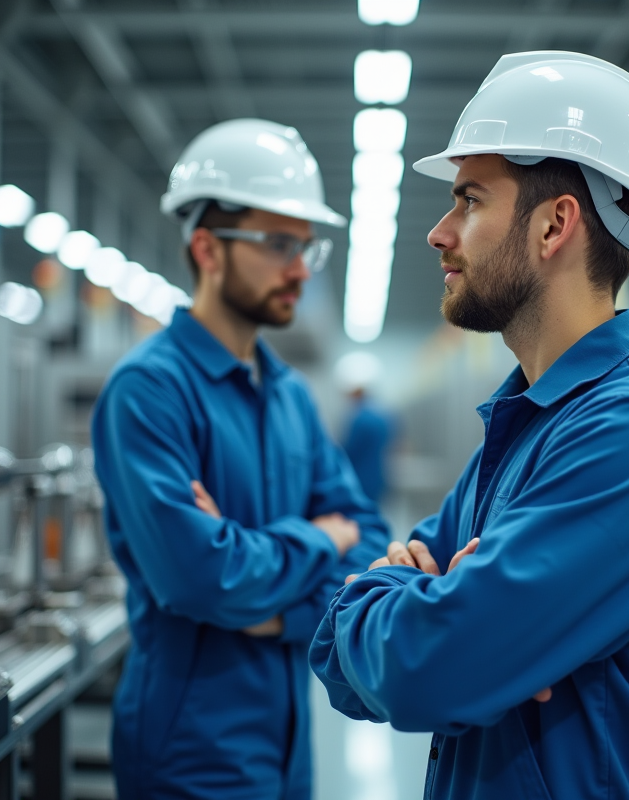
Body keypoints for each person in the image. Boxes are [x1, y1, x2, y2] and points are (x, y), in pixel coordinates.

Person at [310, 52, 629, 799]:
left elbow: (423, 674)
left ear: (553, 226)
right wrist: (395, 601)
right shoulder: (526, 424)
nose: (439, 233)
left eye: (469, 201)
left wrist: (398, 598)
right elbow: (350, 666)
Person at [91, 119, 389, 800]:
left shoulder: (288, 394)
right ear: (207, 248)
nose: (298, 270)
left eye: (306, 248)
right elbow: (200, 578)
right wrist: (320, 536)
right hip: (191, 754)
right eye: (279, 243)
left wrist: (275, 607)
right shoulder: (149, 391)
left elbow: (367, 538)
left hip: (287, 745)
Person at [341, 385, 396, 505]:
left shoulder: (360, 419)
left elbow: (349, 452)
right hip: (378, 475)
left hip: (361, 478)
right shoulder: (383, 416)